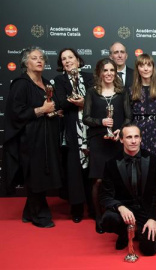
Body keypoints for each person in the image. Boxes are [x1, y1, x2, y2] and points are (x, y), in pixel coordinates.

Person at [2, 46, 62, 228]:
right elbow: (15, 112)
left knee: (43, 172)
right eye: (34, 58)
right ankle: (40, 215)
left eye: (42, 58)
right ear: (25, 62)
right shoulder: (21, 83)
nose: (40, 61)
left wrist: (54, 112)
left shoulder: (46, 82)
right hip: (30, 138)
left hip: (47, 136)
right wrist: (41, 110)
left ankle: (29, 211)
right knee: (35, 174)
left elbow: (49, 107)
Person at [83, 58, 132, 233]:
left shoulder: (122, 92)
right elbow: (85, 118)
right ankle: (98, 216)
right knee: (98, 180)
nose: (109, 73)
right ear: (99, 73)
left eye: (112, 70)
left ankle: (116, 213)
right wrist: (101, 121)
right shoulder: (92, 92)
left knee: (118, 179)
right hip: (98, 141)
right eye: (105, 70)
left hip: (117, 140)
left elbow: (128, 116)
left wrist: (120, 129)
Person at [99, 124, 156, 255]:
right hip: (124, 212)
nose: (133, 141)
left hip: (146, 212)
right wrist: (120, 207)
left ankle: (136, 232)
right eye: (128, 137)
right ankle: (124, 232)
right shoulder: (111, 163)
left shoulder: (154, 160)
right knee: (108, 219)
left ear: (140, 139)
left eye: (136, 137)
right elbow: (105, 196)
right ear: (121, 140)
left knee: (149, 250)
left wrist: (153, 219)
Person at [54, 48, 95, 223]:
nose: (68, 61)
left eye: (71, 57)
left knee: (92, 170)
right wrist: (77, 102)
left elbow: (97, 99)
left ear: (78, 60)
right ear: (61, 64)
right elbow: (61, 102)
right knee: (74, 170)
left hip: (90, 129)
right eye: (64, 59)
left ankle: (94, 208)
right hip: (71, 130)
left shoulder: (89, 77)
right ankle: (76, 208)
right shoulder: (59, 80)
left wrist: (84, 102)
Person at [130, 53, 156, 168]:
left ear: (153, 67)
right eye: (142, 65)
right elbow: (129, 115)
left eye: (149, 65)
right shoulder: (132, 89)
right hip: (138, 130)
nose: (146, 68)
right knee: (139, 165)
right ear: (137, 68)